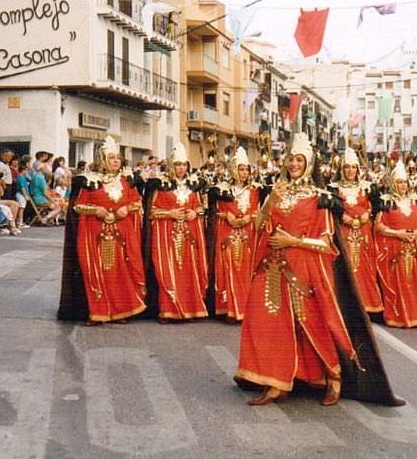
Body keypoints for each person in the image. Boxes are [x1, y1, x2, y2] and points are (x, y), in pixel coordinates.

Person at [236, 133, 402, 407]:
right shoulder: (277, 191)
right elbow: (258, 226)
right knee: (269, 324)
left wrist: (293, 241)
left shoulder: (319, 197)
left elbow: (326, 243)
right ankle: (275, 381)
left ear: (309, 163)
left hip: (305, 269)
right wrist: (269, 201)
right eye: (291, 159)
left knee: (314, 323)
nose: (294, 164)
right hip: (272, 266)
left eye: (299, 160)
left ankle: (333, 376)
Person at [58, 136, 147, 325]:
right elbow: (77, 206)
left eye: (117, 158)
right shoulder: (89, 181)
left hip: (121, 234)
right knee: (95, 271)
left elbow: (137, 201)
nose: (116, 161)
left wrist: (127, 209)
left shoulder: (127, 181)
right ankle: (97, 312)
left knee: (119, 272)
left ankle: (119, 311)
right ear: (102, 160)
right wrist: (95, 210)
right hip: (94, 234)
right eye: (112, 157)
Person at [143, 142, 209, 323]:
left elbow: (202, 207)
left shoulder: (193, 185)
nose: (181, 168)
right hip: (166, 237)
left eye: (184, 164)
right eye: (178, 164)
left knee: (189, 272)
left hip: (189, 237)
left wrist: (195, 212)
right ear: (172, 165)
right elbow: (151, 211)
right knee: (166, 271)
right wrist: (169, 213)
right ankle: (168, 310)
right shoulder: (161, 184)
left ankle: (191, 309)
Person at [373, 161, 417, 328]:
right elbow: (378, 225)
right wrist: (397, 234)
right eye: (399, 182)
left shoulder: (416, 201)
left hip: (414, 249)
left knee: (415, 282)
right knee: (397, 283)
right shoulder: (386, 201)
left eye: (404, 182)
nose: (402, 185)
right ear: (393, 183)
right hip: (394, 250)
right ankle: (398, 315)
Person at [209, 147, 262, 322]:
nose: (244, 172)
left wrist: (248, 217)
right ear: (234, 169)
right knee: (229, 269)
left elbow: (260, 211)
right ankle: (230, 309)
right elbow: (215, 211)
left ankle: (245, 309)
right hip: (228, 233)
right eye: (241, 168)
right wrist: (227, 216)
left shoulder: (255, 190)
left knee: (246, 272)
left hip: (248, 234)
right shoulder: (223, 189)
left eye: (246, 169)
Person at [328, 147, 382, 314]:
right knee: (345, 266)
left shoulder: (368, 187)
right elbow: (330, 208)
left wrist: (368, 213)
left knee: (365, 268)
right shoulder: (333, 188)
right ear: (341, 169)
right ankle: (346, 307)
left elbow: (378, 206)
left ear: (358, 169)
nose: (350, 170)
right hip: (343, 232)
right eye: (346, 167)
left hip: (364, 234)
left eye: (353, 167)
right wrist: (343, 216)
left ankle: (369, 305)